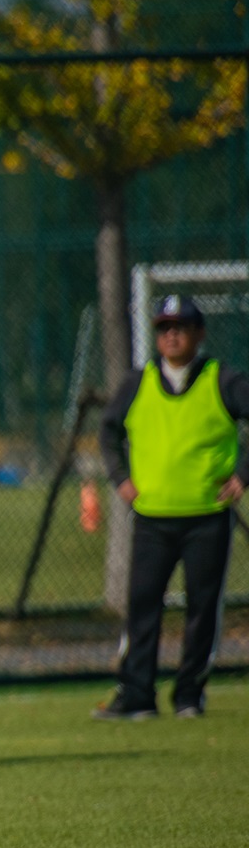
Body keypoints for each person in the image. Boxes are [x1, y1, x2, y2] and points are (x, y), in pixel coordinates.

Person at [94, 295, 249, 720]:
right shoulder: (138, 382)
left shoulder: (222, 380)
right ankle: (137, 694)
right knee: (142, 604)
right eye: (164, 327)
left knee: (203, 608)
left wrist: (243, 475)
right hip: (152, 519)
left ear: (199, 333)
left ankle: (189, 695)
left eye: (181, 326)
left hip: (206, 516)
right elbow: (108, 431)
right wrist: (121, 479)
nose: (172, 334)